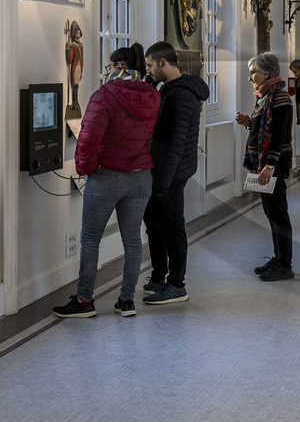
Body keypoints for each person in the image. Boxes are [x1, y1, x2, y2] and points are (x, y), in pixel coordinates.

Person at [54, 42, 159, 318]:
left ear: (118, 67)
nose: (107, 71)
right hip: (141, 177)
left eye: (110, 66)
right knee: (133, 240)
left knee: (90, 239)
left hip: (108, 176)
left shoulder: (105, 95)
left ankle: (85, 301)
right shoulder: (151, 95)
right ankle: (126, 301)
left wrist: (86, 169)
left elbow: (88, 138)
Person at [142, 42, 209, 307]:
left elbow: (176, 142)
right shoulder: (167, 90)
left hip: (169, 173)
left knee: (172, 228)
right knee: (154, 225)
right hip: (160, 171)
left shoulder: (180, 95)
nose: (148, 70)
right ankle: (160, 276)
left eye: (150, 65)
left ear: (163, 63)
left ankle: (177, 284)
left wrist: (163, 183)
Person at [238, 52, 295, 281]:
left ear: (267, 73)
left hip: (273, 166)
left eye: (253, 72)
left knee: (278, 213)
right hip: (264, 164)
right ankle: (278, 258)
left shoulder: (280, 98)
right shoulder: (264, 97)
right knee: (270, 212)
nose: (250, 77)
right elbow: (264, 129)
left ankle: (285, 265)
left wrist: (270, 165)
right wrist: (249, 123)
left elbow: (279, 135)